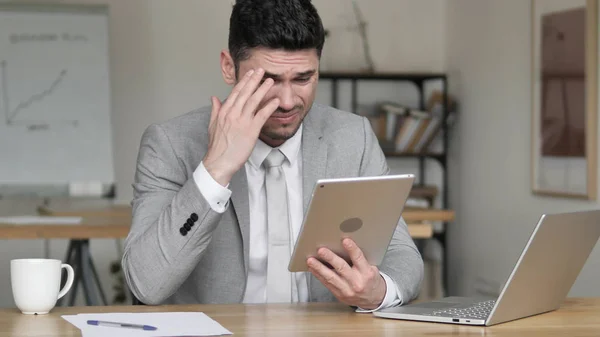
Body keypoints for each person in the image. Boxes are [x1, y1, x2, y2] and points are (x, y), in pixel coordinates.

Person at [122, 0, 423, 311]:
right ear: (229, 67)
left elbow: (403, 255)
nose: (288, 101)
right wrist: (215, 169)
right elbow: (146, 284)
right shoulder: (171, 143)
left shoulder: (353, 138)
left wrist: (377, 291)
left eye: (303, 78)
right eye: (269, 80)